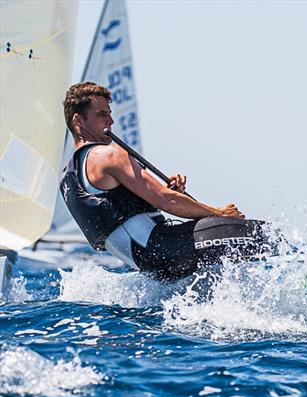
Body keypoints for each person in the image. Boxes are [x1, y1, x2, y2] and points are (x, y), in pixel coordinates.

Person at [61, 82, 276, 278]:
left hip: (148, 264)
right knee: (267, 237)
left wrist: (168, 191)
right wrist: (219, 213)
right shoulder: (108, 155)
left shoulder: (70, 176)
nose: (111, 120)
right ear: (78, 121)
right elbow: (166, 201)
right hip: (162, 246)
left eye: (109, 114)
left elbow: (126, 209)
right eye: (102, 115)